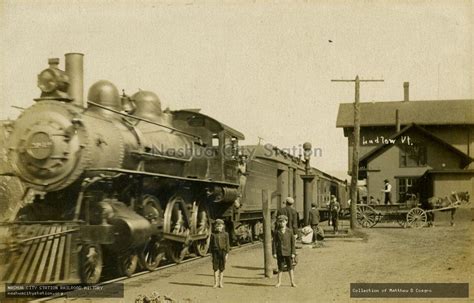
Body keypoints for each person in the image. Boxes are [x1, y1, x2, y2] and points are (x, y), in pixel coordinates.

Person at [272, 215, 297, 288]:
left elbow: (293, 243)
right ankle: (279, 282)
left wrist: (293, 253)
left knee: (290, 268)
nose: (282, 223)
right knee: (280, 268)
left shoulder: (290, 231)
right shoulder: (277, 232)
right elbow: (274, 243)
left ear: (286, 222)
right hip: (280, 253)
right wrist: (274, 252)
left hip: (288, 252)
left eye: (283, 222)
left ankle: (292, 282)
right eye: (280, 222)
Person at [210, 219, 230, 288]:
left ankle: (221, 283)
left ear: (223, 226)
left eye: (220, 226)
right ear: (215, 227)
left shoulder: (226, 234)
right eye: (217, 226)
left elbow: (227, 244)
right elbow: (211, 245)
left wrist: (227, 254)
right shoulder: (213, 235)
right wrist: (211, 254)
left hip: (222, 252)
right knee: (215, 268)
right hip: (215, 252)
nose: (219, 227)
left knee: (222, 268)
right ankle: (216, 283)